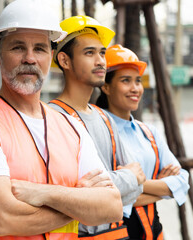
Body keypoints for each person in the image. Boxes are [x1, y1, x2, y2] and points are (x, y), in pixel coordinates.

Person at [0, 1, 123, 240]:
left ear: (51, 56)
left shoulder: (71, 127)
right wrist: (78, 205)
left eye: (39, 48)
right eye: (17, 48)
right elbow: (3, 218)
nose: (29, 58)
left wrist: (43, 193)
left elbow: (111, 207)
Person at [49, 15, 146, 239]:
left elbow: (138, 183)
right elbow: (70, 194)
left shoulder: (105, 118)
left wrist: (120, 184)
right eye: (89, 53)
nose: (101, 61)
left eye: (102, 53)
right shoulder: (53, 118)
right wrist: (127, 179)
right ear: (64, 61)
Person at [95, 44, 190, 240]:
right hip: (114, 234)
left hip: (153, 232)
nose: (135, 88)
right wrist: (163, 189)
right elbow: (103, 194)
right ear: (105, 86)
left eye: (138, 81)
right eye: (125, 80)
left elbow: (182, 180)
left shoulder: (148, 132)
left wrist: (134, 185)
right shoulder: (96, 131)